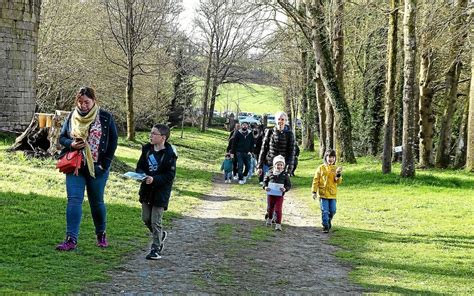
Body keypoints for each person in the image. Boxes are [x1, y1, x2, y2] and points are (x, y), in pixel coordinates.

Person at [56, 86, 118, 251]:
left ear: (94, 101)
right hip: (75, 166)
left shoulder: (105, 117)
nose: (83, 105)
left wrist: (104, 164)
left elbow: (113, 141)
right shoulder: (72, 116)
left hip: (97, 167)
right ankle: (71, 239)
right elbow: (62, 137)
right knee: (74, 200)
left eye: (86, 102)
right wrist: (72, 144)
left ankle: (101, 234)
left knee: (96, 202)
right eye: (80, 102)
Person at [136, 124, 178, 260]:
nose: (151, 135)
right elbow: (140, 166)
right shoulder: (147, 149)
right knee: (146, 218)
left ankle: (155, 248)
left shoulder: (170, 154)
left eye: (154, 133)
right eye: (151, 133)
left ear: (163, 137)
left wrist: (154, 179)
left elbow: (169, 176)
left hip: (161, 192)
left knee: (155, 221)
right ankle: (160, 235)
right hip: (146, 190)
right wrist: (141, 175)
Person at [311, 149, 343, 233]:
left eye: (333, 157)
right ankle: (325, 226)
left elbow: (338, 181)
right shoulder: (321, 168)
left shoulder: (336, 168)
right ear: (325, 157)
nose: (331, 159)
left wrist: (338, 174)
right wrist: (314, 192)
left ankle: (328, 220)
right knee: (325, 211)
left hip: (332, 194)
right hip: (323, 194)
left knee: (332, 210)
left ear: (335, 158)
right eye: (329, 157)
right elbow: (315, 180)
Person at [257, 111, 296, 178]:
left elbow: (291, 151)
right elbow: (263, 149)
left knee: (281, 186)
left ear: (285, 121)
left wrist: (289, 167)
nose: (280, 121)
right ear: (276, 120)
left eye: (282, 119)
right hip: (270, 163)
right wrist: (259, 166)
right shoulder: (269, 132)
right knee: (268, 184)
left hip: (282, 164)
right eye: (279, 119)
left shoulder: (289, 134)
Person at [263, 155, 291, 231]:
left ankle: (278, 224)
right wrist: (265, 187)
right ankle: (269, 218)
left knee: (278, 209)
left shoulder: (285, 175)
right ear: (274, 165)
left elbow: (288, 185)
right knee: (270, 208)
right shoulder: (269, 173)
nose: (279, 166)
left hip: (279, 196)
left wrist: (285, 189)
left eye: (281, 165)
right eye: (278, 164)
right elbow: (265, 182)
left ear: (283, 166)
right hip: (271, 194)